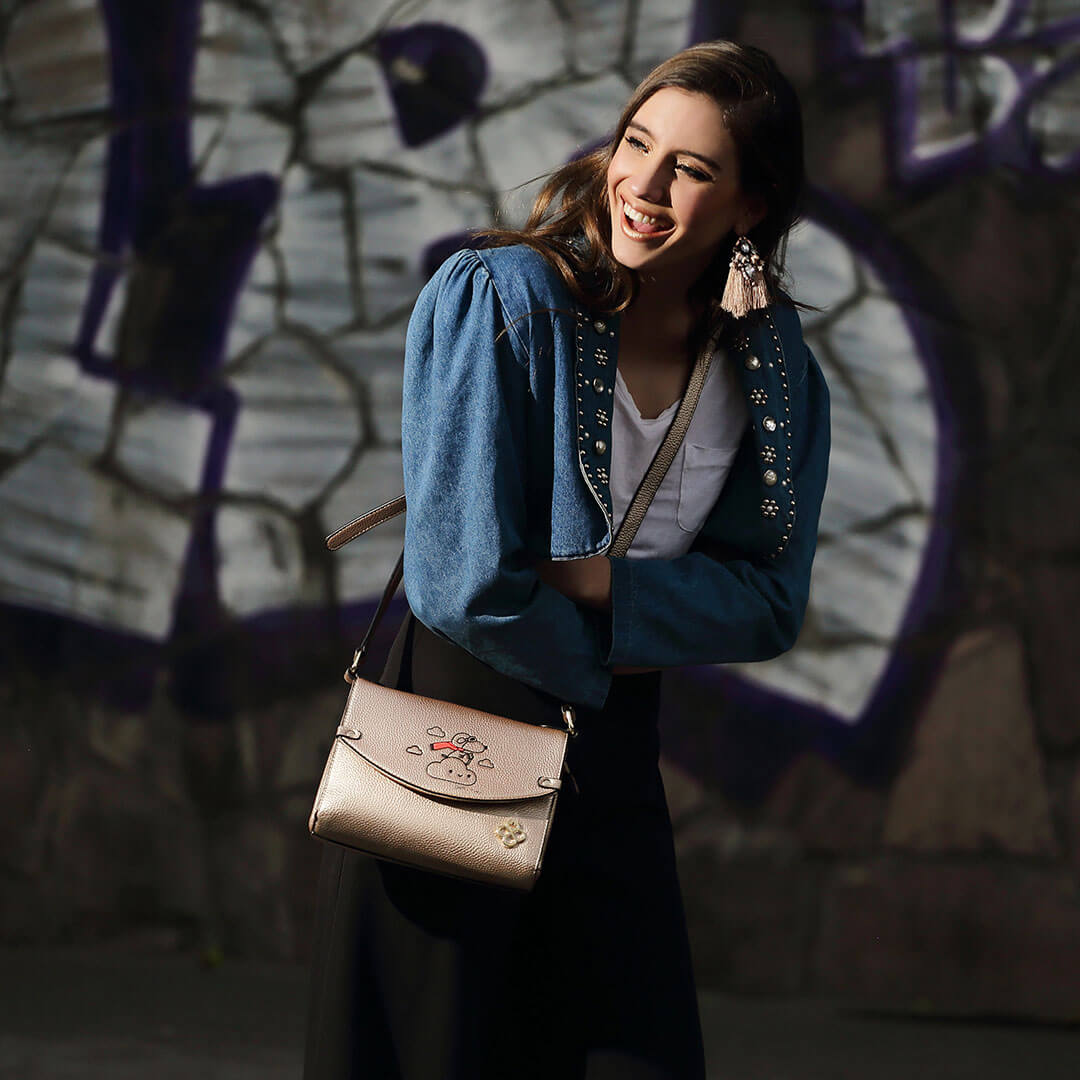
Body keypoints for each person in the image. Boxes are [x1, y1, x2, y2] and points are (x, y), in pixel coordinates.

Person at [303, 39, 830, 1080]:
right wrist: (620, 650)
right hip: (452, 738)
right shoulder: (501, 300)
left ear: (751, 204)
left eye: (692, 167)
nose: (645, 182)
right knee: (438, 1052)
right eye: (639, 143)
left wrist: (598, 584)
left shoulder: (772, 372)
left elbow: (770, 599)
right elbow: (463, 581)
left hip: (610, 756)